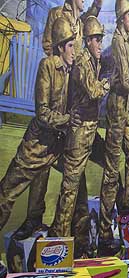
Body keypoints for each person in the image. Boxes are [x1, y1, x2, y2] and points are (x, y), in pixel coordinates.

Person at [0, 18, 75, 235]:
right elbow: (42, 113)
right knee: (6, 193)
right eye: (70, 46)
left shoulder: (71, 71)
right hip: (35, 145)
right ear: (60, 47)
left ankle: (36, 225)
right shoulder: (48, 65)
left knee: (69, 182)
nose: (74, 51)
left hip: (55, 146)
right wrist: (67, 120)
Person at [49, 16, 110, 257]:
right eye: (96, 40)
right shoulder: (84, 62)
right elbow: (94, 91)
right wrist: (105, 85)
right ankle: (58, 244)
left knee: (84, 190)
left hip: (90, 131)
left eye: (101, 40)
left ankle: (83, 244)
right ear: (88, 41)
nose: (100, 45)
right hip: (79, 133)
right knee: (70, 190)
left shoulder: (94, 61)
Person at [99, 0, 129, 239]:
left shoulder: (126, 38)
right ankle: (105, 227)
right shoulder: (117, 42)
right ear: (121, 17)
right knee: (112, 166)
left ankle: (126, 203)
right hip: (117, 106)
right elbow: (125, 82)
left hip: (124, 107)